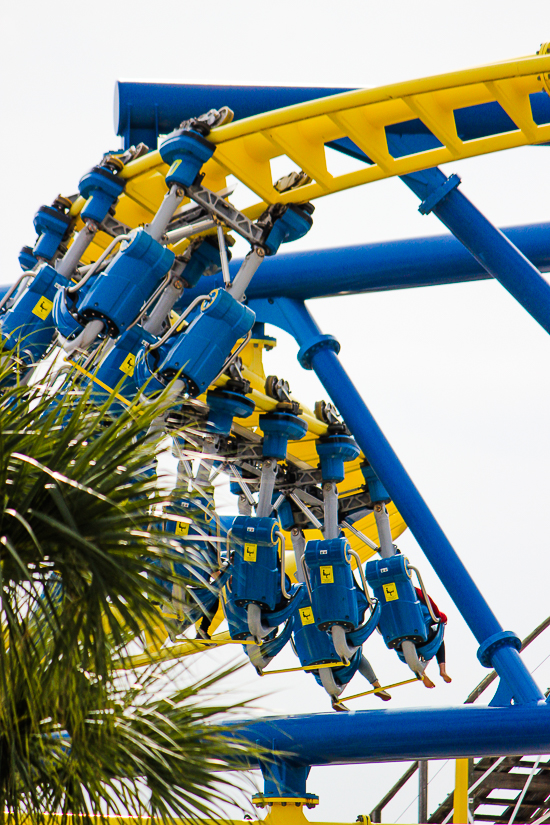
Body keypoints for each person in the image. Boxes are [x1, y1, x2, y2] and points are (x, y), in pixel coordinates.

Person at [414, 587, 452, 687]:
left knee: (411, 652)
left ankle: (422, 673)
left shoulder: (382, 596)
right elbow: (432, 607)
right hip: (423, 632)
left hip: (398, 636)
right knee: (438, 637)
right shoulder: (414, 592)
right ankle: (442, 670)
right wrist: (441, 618)